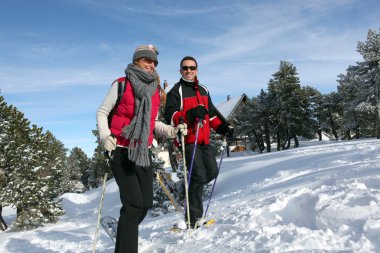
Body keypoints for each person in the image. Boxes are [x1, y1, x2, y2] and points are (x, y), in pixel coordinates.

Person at [96, 44, 187, 253]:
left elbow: (152, 123)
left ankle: (124, 231)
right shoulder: (121, 84)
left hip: (142, 152)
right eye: (147, 60)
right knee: (133, 205)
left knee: (145, 203)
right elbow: (102, 112)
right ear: (137, 60)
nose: (151, 64)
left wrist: (173, 131)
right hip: (120, 150)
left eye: (154, 61)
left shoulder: (154, 91)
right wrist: (105, 136)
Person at [164, 56, 234, 228]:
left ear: (197, 69)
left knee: (211, 173)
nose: (189, 71)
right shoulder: (176, 91)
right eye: (185, 68)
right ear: (180, 70)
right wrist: (190, 114)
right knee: (198, 176)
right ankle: (193, 219)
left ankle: (185, 190)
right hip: (188, 141)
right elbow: (171, 116)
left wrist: (223, 128)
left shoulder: (203, 89)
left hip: (203, 140)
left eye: (192, 67)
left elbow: (211, 115)